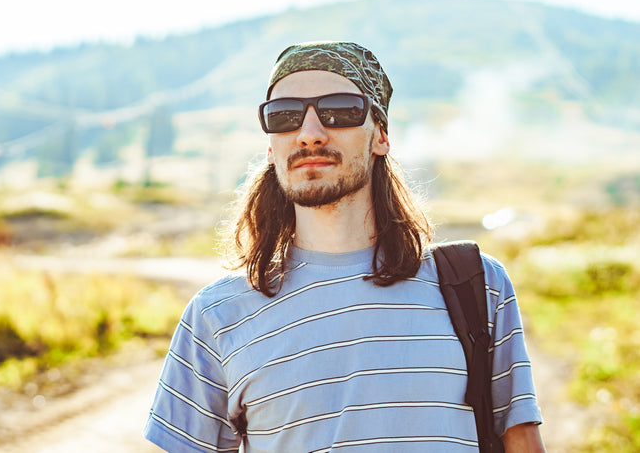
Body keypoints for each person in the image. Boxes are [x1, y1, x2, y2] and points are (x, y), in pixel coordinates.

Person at [144, 41, 544, 452]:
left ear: (381, 137)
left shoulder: (474, 285)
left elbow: (522, 442)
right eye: (285, 116)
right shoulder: (216, 315)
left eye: (339, 111)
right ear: (270, 147)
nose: (310, 134)